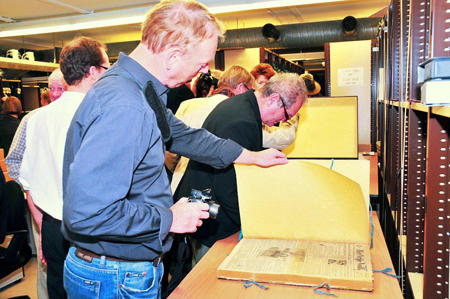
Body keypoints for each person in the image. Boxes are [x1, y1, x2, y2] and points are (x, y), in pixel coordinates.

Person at [61, 1, 287, 298]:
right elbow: (87, 213)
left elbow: (182, 135)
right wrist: (170, 218)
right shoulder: (126, 104)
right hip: (114, 276)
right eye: (202, 62)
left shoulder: (136, 88)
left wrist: (250, 157)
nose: (205, 70)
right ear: (173, 56)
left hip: (115, 270)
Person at [167, 73, 307, 295]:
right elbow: (227, 185)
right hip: (209, 209)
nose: (280, 123)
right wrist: (254, 224)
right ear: (274, 100)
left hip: (204, 197)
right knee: (204, 282)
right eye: (285, 115)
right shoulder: (241, 120)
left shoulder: (243, 106)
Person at [18, 36, 109, 299]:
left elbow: (29, 184)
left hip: (52, 226)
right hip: (93, 230)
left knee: (58, 291)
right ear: (93, 72)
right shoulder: (103, 114)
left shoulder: (36, 118)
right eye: (105, 68)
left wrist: (43, 230)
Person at [5, 67, 67, 299]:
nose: (55, 93)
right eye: (51, 88)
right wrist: (31, 186)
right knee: (48, 266)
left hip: (73, 208)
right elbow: (13, 160)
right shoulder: (32, 119)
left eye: (61, 88)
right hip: (42, 206)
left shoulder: (81, 115)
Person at [166, 64, 254, 192]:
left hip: (181, 182)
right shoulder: (241, 113)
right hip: (217, 188)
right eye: (250, 90)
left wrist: (178, 169)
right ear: (241, 88)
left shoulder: (187, 105)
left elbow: (170, 152)